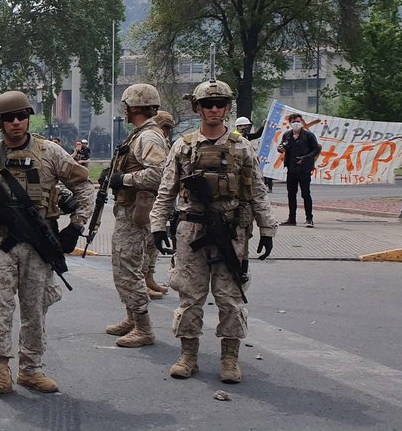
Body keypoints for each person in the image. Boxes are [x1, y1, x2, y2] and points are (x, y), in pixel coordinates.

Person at [0, 91, 95, 399]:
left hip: (38, 243)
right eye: (9, 118)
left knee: (35, 308)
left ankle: (30, 369)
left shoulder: (50, 152)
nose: (16, 122)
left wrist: (76, 226)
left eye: (21, 116)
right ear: (0, 123)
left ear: (28, 117)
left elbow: (84, 187)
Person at [149, 80, 277, 384]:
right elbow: (167, 189)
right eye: (208, 104)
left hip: (231, 231)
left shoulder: (241, 146)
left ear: (229, 108)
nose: (214, 109)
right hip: (191, 230)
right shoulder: (183, 145)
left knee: (230, 297)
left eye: (220, 103)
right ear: (197, 108)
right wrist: (157, 225)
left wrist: (267, 228)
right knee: (190, 296)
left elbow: (257, 191)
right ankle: (188, 355)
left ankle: (230, 359)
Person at [103, 84, 170, 348]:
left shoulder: (148, 137)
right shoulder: (140, 135)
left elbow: (159, 173)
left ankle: (143, 327)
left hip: (136, 212)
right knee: (127, 266)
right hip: (131, 210)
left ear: (134, 106)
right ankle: (132, 318)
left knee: (126, 269)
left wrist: (123, 179)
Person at [143, 110, 176, 298]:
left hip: (159, 200)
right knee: (146, 243)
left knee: (154, 244)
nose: (166, 132)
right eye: (165, 128)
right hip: (146, 200)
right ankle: (142, 281)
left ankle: (149, 277)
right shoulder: (150, 140)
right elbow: (155, 172)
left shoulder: (164, 142)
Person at [277, 113, 320, 227]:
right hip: (291, 169)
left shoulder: (308, 135)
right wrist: (280, 149)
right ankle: (291, 219)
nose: (296, 124)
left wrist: (305, 158)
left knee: (305, 193)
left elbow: (316, 149)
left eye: (298, 121)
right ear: (290, 123)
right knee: (291, 194)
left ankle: (309, 218)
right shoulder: (287, 135)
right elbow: (283, 147)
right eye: (294, 122)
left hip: (304, 169)